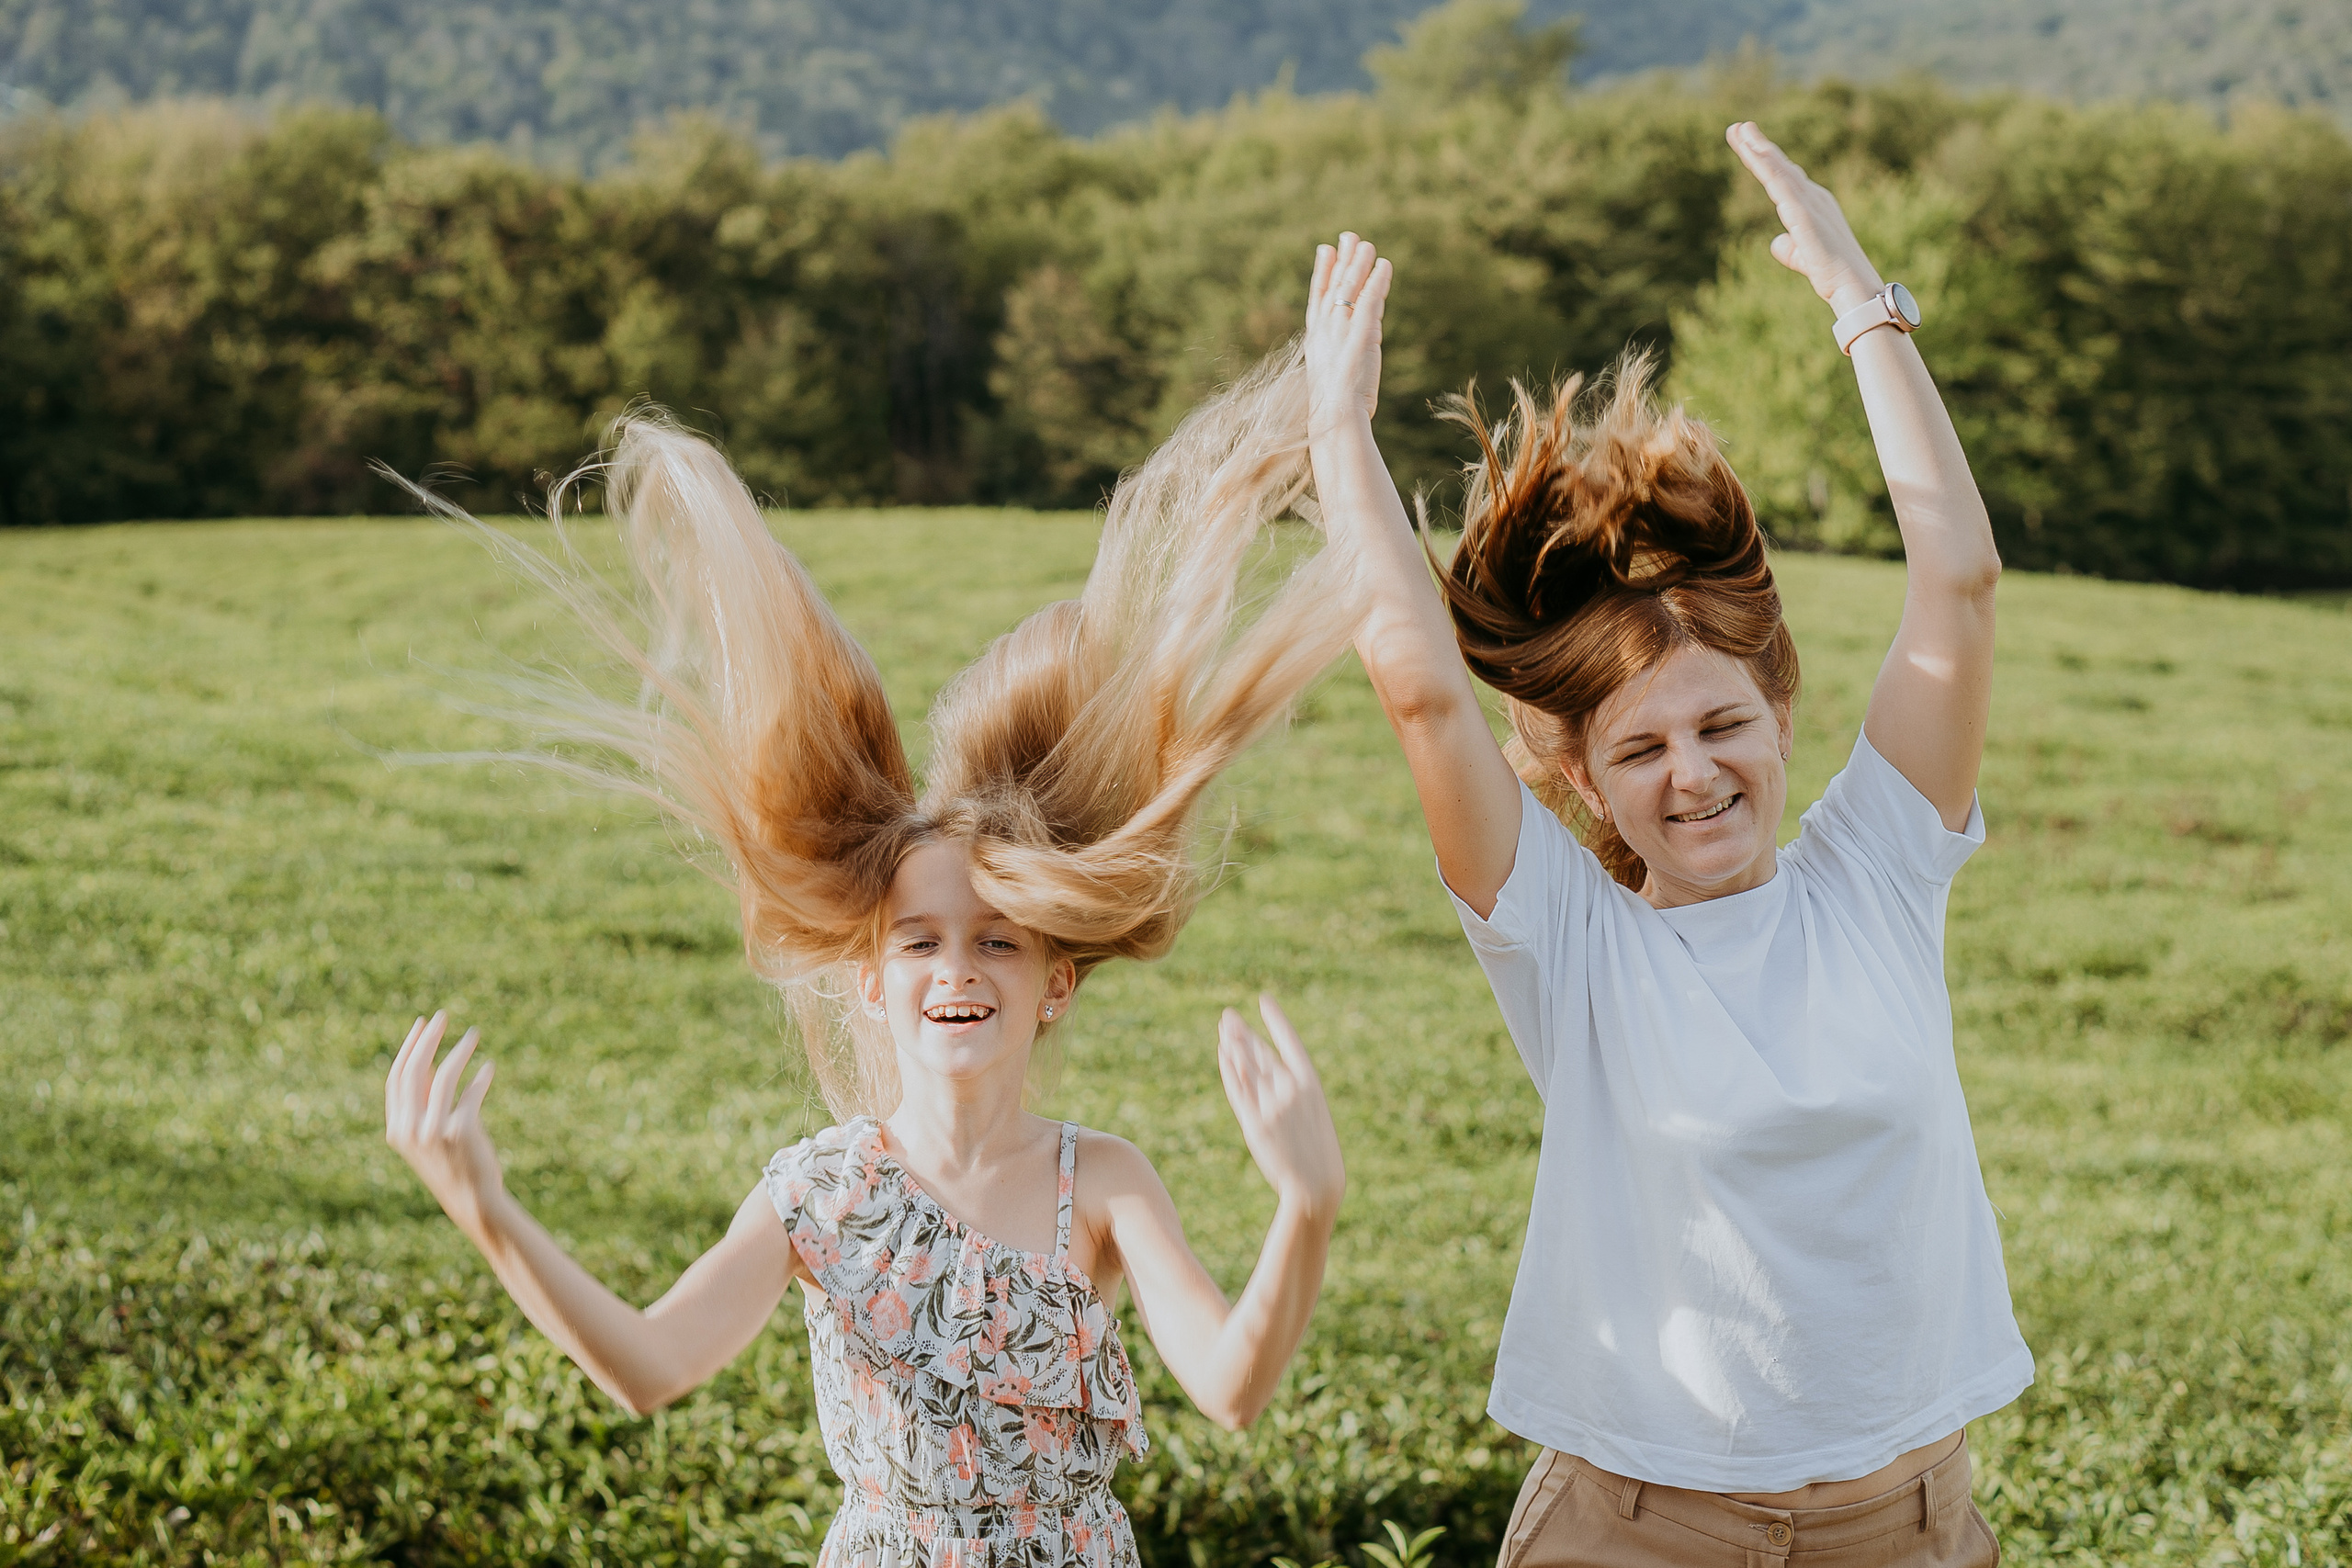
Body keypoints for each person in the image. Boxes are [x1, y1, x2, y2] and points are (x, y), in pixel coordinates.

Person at [380, 350, 1352, 1568]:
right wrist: (484, 1207)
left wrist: (1305, 1209)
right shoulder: (817, 1196)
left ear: (1053, 984)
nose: (959, 969)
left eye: (999, 941)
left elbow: (1232, 1387)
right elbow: (648, 1368)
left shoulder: (1099, 1183)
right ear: (868, 978)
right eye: (921, 942)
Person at [1299, 122, 2030, 1565]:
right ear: (1582, 772)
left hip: (1910, 1518)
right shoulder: (1573, 945)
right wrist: (1336, 437)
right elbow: (1418, 687)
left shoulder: (1878, 872)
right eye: (1639, 750)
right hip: (1641, 1527)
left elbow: (1960, 578)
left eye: (1720, 728)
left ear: (1779, 711)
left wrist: (1861, 303)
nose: (1692, 777)